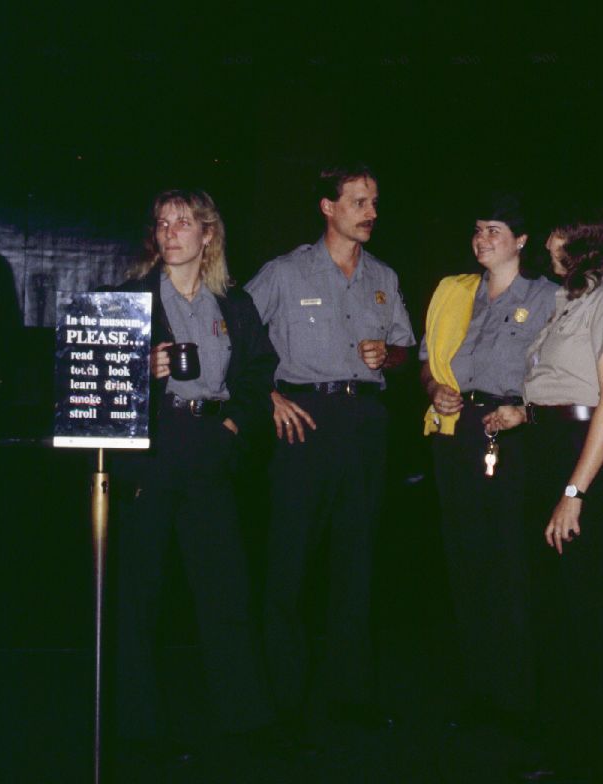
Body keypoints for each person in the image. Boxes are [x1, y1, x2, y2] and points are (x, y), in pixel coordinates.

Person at [245, 162, 416, 736]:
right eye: (359, 202)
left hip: (364, 425)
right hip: (304, 425)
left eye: (375, 202)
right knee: (289, 563)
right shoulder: (285, 272)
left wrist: (387, 356)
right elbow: (235, 336)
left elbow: (405, 350)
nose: (372, 213)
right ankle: (283, 703)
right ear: (328, 207)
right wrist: (267, 396)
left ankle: (353, 697)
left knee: (357, 561)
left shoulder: (383, 277)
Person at [109, 188, 277, 770]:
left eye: (184, 222)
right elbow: (101, 381)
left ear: (208, 235)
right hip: (154, 449)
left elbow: (260, 371)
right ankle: (138, 728)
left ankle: (246, 720)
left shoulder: (233, 303)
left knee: (225, 588)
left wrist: (232, 424)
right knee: (139, 593)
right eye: (163, 223)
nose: (171, 232)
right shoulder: (130, 300)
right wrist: (142, 369)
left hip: (209, 446)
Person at [484, 209, 603, 783]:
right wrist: (524, 414)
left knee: (594, 611)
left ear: (586, 243)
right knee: (556, 612)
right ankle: (567, 752)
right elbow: (560, 387)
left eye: (558, 237)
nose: (548, 246)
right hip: (551, 450)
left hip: (588, 460)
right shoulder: (569, 300)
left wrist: (575, 491)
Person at [419, 193, 557, 738]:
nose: (482, 239)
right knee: (466, 561)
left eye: (494, 230)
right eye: (477, 229)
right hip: (458, 434)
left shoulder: (546, 297)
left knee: (511, 565)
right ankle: (481, 689)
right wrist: (434, 389)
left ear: (521, 240)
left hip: (515, 437)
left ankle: (521, 697)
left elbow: (564, 373)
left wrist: (526, 412)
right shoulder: (457, 292)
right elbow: (429, 361)